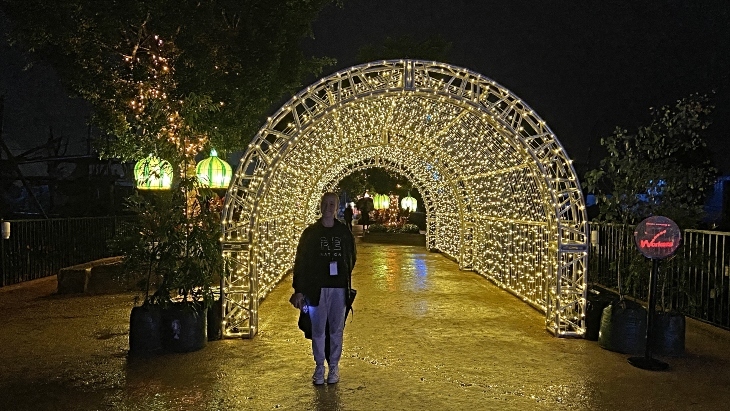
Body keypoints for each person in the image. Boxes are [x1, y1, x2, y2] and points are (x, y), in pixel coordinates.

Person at [291, 192, 357, 385]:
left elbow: (351, 257)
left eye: (332, 204)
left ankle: (334, 366)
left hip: (338, 288)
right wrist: (299, 289)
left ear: (337, 208)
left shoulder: (344, 233)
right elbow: (301, 262)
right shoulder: (311, 233)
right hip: (316, 288)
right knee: (318, 329)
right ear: (320, 206)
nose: (328, 207)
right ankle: (320, 366)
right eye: (325, 203)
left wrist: (342, 274)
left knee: (336, 328)